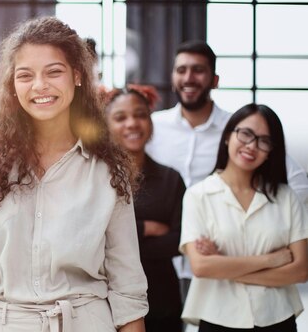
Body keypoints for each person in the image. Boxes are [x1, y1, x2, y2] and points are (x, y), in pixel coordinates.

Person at [0, 16, 148, 332]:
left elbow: (127, 282)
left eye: (54, 72)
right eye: (25, 75)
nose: (40, 86)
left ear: (77, 76)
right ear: (12, 84)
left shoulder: (109, 166)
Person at [145, 40, 308, 300]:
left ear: (215, 79)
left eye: (198, 70)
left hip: (226, 262)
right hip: (165, 264)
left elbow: (297, 184)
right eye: (182, 70)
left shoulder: (239, 132)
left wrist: (258, 231)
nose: (189, 77)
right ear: (173, 77)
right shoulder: (153, 128)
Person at [180, 103, 308, 331]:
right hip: (218, 319)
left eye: (264, 141)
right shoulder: (198, 196)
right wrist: (271, 260)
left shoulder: (286, 197)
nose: (251, 146)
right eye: (246, 134)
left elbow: (301, 270)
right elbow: (201, 267)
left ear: (271, 151)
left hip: (277, 319)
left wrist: (224, 266)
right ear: (228, 135)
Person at [104, 85, 185, 332]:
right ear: (106, 126)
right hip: (107, 304)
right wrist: (144, 228)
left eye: (140, 115)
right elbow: (92, 240)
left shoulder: (171, 179)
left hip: (162, 301)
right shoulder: (96, 178)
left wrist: (119, 242)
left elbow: (179, 242)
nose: (132, 123)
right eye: (120, 118)